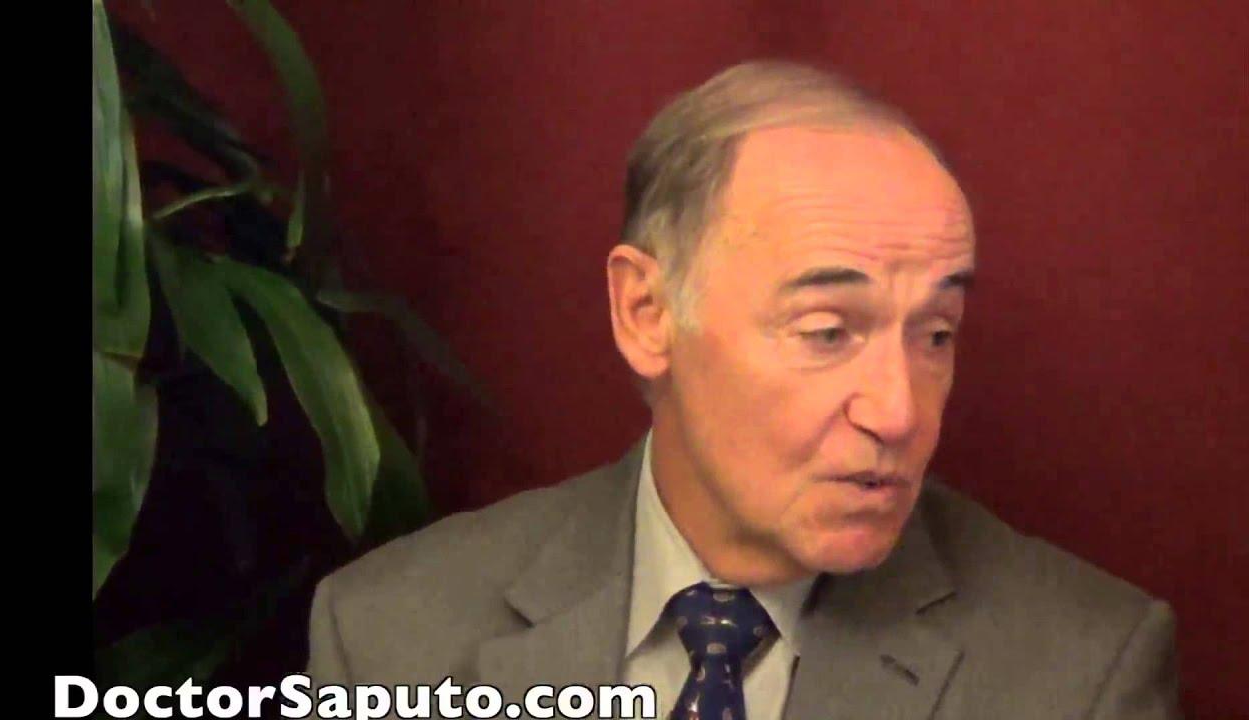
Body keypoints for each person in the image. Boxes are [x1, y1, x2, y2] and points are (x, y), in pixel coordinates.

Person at [305, 60, 1182, 719]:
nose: (900, 412)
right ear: (647, 313)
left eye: (936, 335)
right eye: (827, 332)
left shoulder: (1082, 674)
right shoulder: (388, 635)